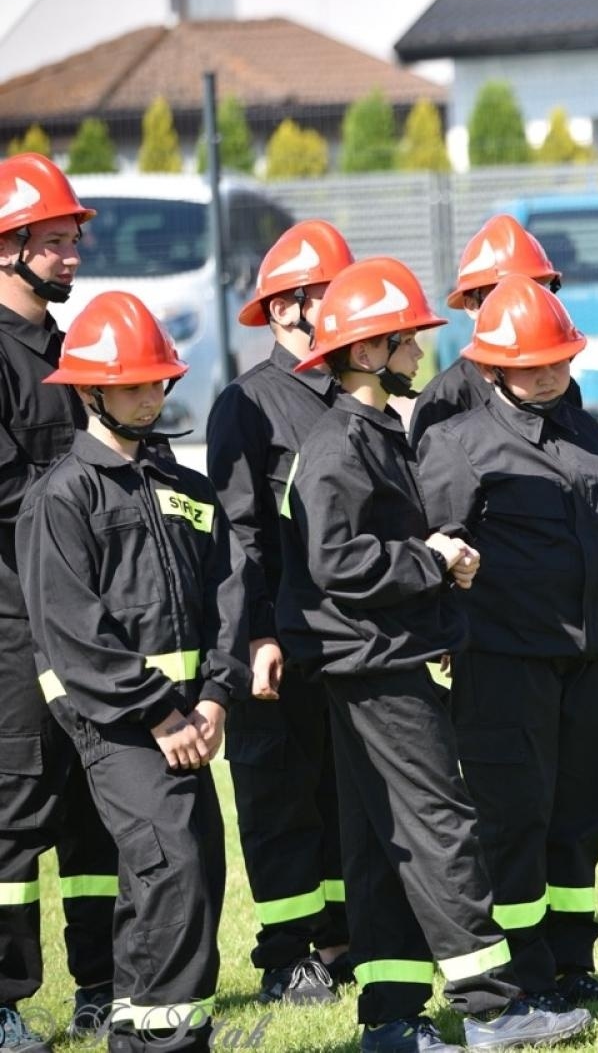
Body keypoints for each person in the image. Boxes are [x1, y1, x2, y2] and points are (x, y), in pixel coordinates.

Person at [276, 256, 592, 1051]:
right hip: (376, 665)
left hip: (375, 658)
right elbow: (336, 562)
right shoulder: (342, 444)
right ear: (372, 351)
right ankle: (494, 1009)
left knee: (385, 841)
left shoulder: (370, 432)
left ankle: (389, 1018)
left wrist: (436, 562)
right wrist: (432, 560)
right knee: (444, 826)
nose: (422, 350)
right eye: (409, 339)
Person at [18, 291, 247, 1053]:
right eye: (134, 384)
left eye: (158, 382)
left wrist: (214, 696)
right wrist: (161, 712)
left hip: (189, 719)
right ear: (90, 390)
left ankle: (162, 1033)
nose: (152, 396)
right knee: (170, 863)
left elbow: (226, 595)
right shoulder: (62, 496)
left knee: (197, 870)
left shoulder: (185, 488)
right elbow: (75, 630)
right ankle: (154, 1043)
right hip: (119, 722)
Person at [418, 276, 598, 1004]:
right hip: (505, 665)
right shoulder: (454, 445)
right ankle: (523, 973)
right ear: (491, 366)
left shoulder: (586, 431)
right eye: (530, 362)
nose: (548, 373)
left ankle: (574, 962)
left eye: (559, 360)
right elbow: (434, 560)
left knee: (578, 819)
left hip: (590, 659)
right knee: (514, 822)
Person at [206, 219, 355, 1006]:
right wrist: (257, 632)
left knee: (340, 795)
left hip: (345, 639)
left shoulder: (352, 395)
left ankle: (338, 938)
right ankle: (285, 955)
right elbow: (240, 535)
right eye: (329, 294)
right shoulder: (249, 404)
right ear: (290, 307)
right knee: (278, 799)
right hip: (278, 641)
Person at [0, 152, 118, 1051]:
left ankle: (102, 987)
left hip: (88, 612)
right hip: (11, 619)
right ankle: (2, 1001)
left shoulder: (74, 353)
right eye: (55, 238)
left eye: (75, 235)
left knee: (95, 802)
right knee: (15, 807)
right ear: (7, 247)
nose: (73, 249)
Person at [409, 215, 563, 444]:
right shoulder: (446, 397)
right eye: (504, 294)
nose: (525, 303)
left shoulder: (558, 383)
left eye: (536, 290)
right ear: (472, 305)